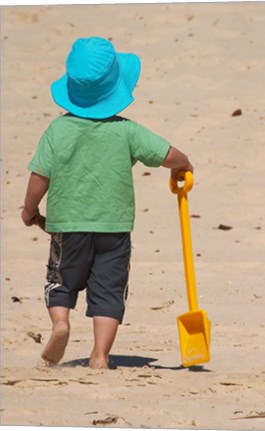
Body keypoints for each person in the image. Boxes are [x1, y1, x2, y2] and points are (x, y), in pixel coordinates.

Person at [22, 36, 193, 369]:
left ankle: (60, 322)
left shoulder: (57, 130)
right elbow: (166, 154)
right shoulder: (127, 131)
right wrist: (185, 163)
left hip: (68, 228)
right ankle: (100, 356)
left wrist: (30, 210)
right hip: (114, 228)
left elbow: (39, 177)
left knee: (61, 281)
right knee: (109, 291)